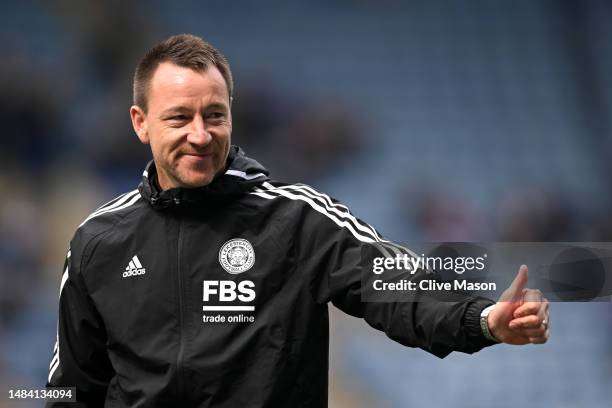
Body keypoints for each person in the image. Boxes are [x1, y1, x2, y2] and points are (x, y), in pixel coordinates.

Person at [46, 34, 549, 407]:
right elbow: (72, 385)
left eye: (214, 115)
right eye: (179, 118)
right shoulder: (98, 244)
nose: (200, 135)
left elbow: (394, 282)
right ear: (141, 123)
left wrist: (479, 319)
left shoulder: (297, 220)